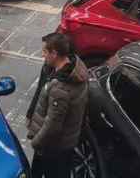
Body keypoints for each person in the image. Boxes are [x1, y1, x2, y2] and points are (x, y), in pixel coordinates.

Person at [27, 32, 89, 178]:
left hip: (52, 147)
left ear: (54, 54)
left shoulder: (60, 88)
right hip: (63, 144)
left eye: (44, 51)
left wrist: (36, 142)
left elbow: (53, 125)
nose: (43, 55)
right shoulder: (74, 67)